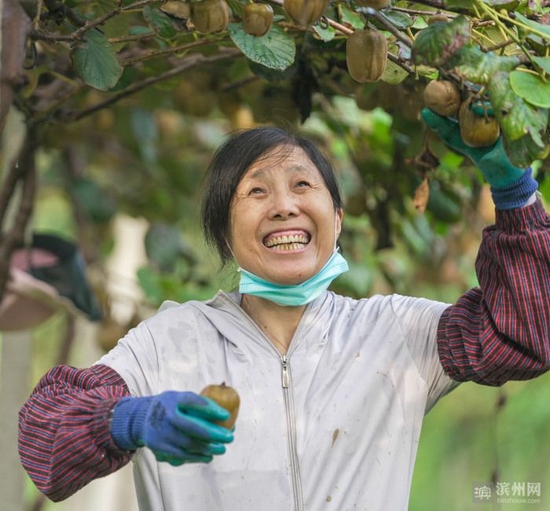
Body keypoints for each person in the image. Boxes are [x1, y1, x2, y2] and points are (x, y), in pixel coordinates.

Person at [18, 108, 550, 511]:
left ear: (337, 220)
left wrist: (514, 193)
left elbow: (521, 336)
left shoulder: (397, 332)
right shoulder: (170, 341)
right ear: (225, 234)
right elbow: (44, 444)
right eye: (255, 192)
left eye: (302, 185)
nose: (284, 205)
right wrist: (125, 419)